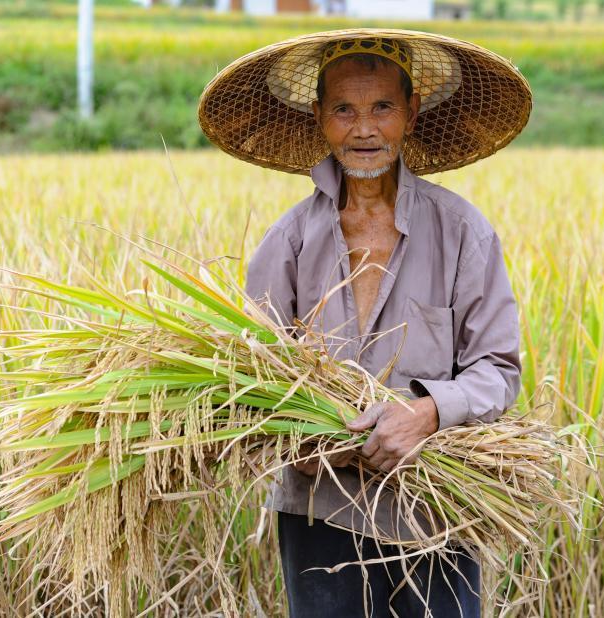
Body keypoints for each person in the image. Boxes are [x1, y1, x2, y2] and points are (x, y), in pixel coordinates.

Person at [198, 30, 533, 617]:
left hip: (437, 508)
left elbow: (498, 371)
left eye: (382, 107)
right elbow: (252, 375)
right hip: (320, 510)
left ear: (411, 112)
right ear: (318, 118)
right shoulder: (288, 242)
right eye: (343, 110)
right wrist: (294, 435)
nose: (364, 129)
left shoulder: (462, 233)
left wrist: (427, 413)